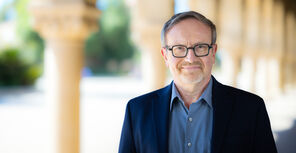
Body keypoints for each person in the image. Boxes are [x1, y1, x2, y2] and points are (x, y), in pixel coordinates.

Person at [118, 11, 277, 153]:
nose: (190, 58)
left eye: (200, 47)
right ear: (165, 56)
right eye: (179, 48)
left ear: (213, 53)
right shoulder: (137, 111)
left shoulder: (251, 109)